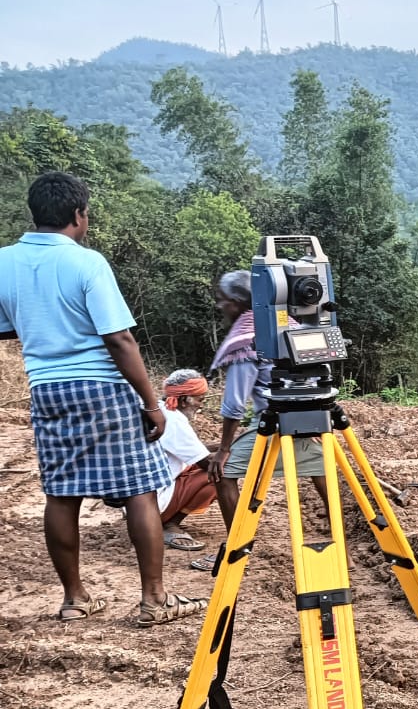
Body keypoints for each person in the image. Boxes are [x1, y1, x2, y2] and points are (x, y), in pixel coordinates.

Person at [0, 171, 207, 626]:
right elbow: (120, 340)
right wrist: (152, 403)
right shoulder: (88, 263)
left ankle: (75, 599)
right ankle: (154, 599)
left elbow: (8, 327)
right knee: (139, 489)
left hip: (47, 388)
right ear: (79, 214)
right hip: (103, 388)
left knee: (60, 493)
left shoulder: (4, 262)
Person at [207, 271, 328, 555]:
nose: (220, 306)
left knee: (223, 474)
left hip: (274, 424)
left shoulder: (245, 340)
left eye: (223, 300)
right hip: (310, 421)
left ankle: (238, 547)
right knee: (320, 468)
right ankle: (341, 538)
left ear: (237, 303)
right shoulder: (294, 325)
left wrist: (224, 449)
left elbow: (234, 403)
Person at [154, 369, 219, 567]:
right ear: (184, 401)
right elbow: (207, 463)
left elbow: (194, 449)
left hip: (138, 500)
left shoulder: (159, 410)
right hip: (154, 502)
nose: (201, 405)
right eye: (200, 399)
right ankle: (167, 523)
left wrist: (226, 444)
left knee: (214, 463)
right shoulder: (174, 422)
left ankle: (166, 520)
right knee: (218, 476)